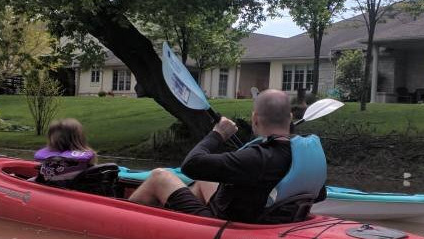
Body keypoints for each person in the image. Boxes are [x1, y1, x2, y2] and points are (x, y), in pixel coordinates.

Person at [128, 89, 326, 223]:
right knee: (202, 180)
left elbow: (191, 165)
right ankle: (178, 222)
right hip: (269, 217)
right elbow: (320, 195)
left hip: (228, 224)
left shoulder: (257, 158)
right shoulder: (301, 152)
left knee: (159, 177)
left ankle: (127, 220)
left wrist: (218, 134)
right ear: (290, 118)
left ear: (255, 118)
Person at [34, 118, 97, 189]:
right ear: (80, 139)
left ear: (54, 142)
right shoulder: (88, 162)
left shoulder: (49, 165)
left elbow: (39, 182)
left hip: (57, 193)